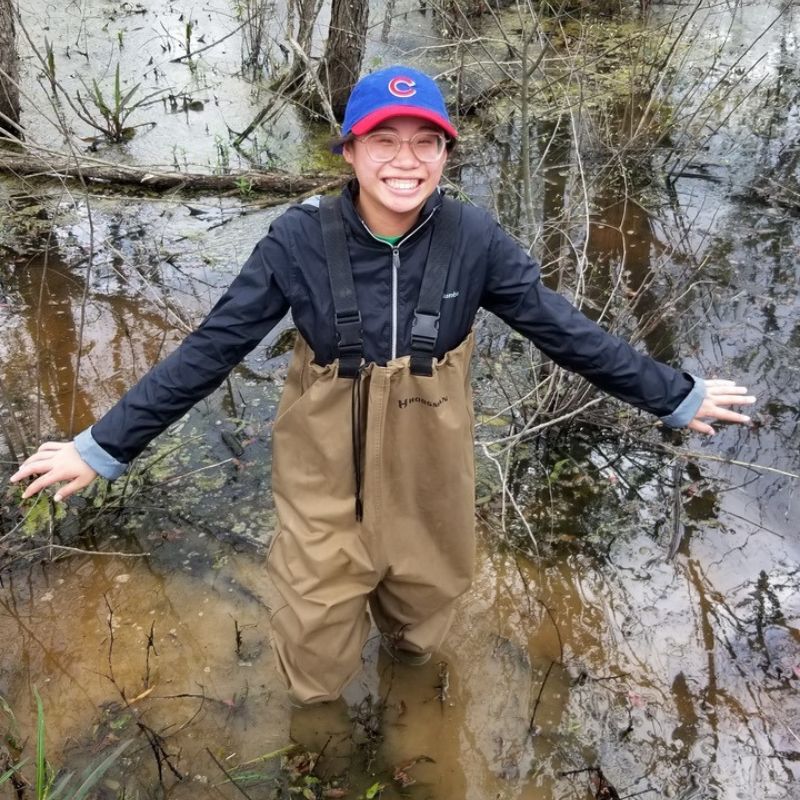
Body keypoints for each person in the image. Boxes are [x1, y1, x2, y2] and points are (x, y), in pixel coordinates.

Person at [9, 65, 755, 706]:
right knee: (314, 639)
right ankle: (322, 735)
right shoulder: (297, 241)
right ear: (352, 151)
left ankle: (414, 709)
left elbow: (565, 330)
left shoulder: (475, 241)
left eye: (424, 142)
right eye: (385, 141)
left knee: (425, 618)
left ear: (444, 153)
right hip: (321, 471)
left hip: (432, 465)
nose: (406, 161)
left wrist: (673, 393)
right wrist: (101, 448)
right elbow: (210, 351)